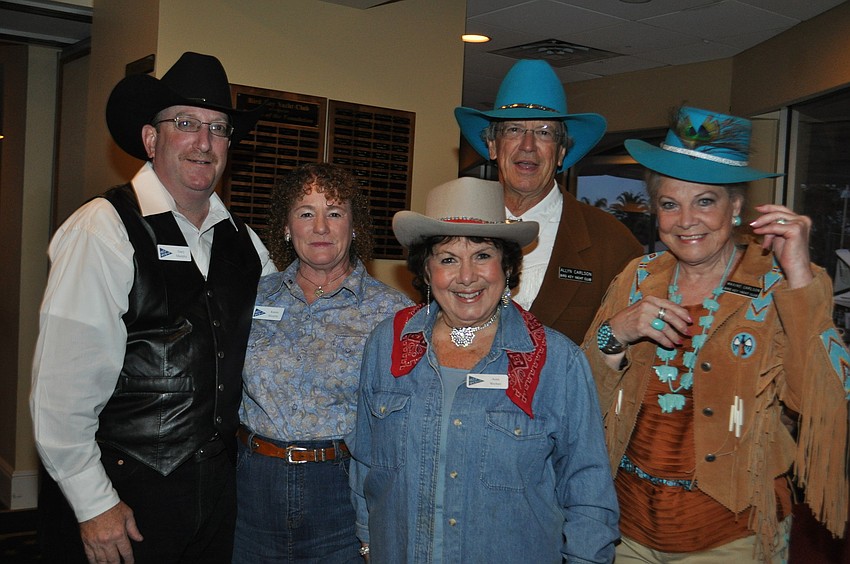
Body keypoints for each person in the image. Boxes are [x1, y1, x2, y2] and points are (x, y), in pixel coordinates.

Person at [30, 52, 274, 564]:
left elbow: (287, 340)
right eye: (185, 123)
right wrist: (93, 503)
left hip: (218, 500)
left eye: (218, 128)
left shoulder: (247, 244)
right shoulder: (102, 228)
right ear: (150, 138)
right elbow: (61, 390)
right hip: (125, 498)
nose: (204, 142)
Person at [582, 106, 850, 562]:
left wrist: (800, 275)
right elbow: (581, 391)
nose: (686, 220)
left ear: (737, 207)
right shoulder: (637, 275)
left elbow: (823, 402)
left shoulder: (785, 283)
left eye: (705, 200)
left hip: (729, 533)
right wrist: (617, 331)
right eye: (670, 204)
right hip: (626, 526)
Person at [349, 176, 620, 563]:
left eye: (482, 255)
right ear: (426, 272)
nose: (466, 276)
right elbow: (364, 465)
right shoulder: (386, 344)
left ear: (507, 266)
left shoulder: (558, 361)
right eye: (447, 259)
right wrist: (369, 542)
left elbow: (588, 491)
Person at [234, 163, 412, 563]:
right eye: (305, 213)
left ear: (354, 227)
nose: (320, 227)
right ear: (286, 227)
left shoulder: (392, 312)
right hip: (252, 486)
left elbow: (401, 430)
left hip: (341, 491)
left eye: (334, 213)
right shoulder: (252, 298)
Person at [454, 59, 644, 343]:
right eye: (514, 130)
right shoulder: (452, 227)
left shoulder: (611, 243)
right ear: (492, 146)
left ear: (561, 152)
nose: (528, 146)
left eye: (544, 132)